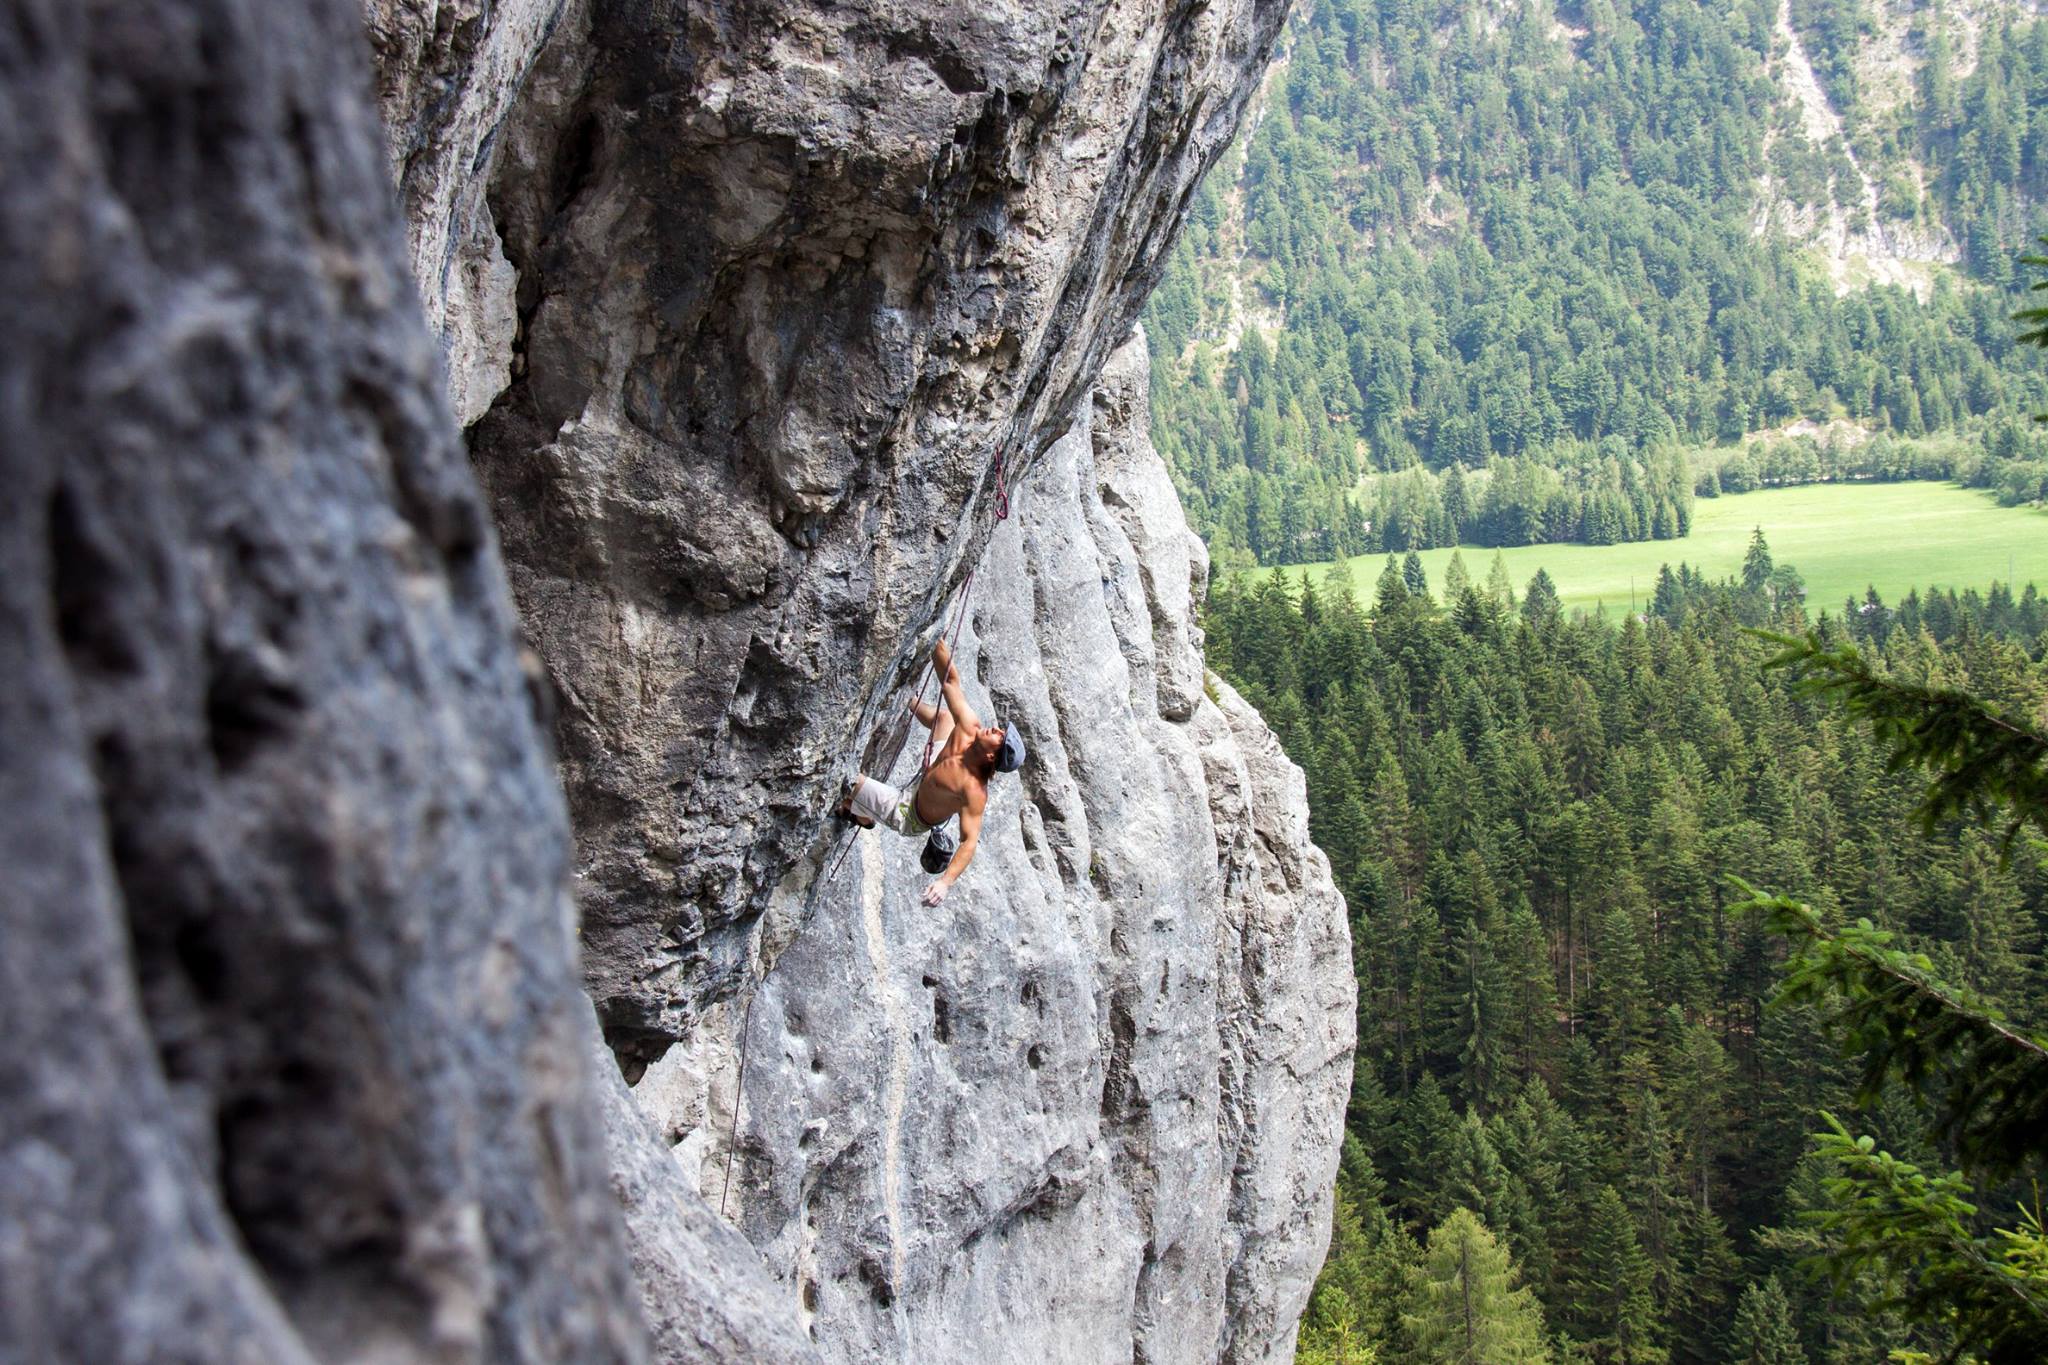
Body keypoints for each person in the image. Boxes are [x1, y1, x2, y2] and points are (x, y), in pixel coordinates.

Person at [838, 638, 1025, 905]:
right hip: (930, 773)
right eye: (1001, 729)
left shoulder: (972, 790)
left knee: (848, 780)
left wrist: (945, 882)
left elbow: (969, 841)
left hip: (908, 811)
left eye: (1000, 736)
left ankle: (862, 815)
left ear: (991, 755)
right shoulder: (969, 728)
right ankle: (908, 702)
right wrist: (935, 640)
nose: (996, 729)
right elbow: (950, 682)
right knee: (945, 718)